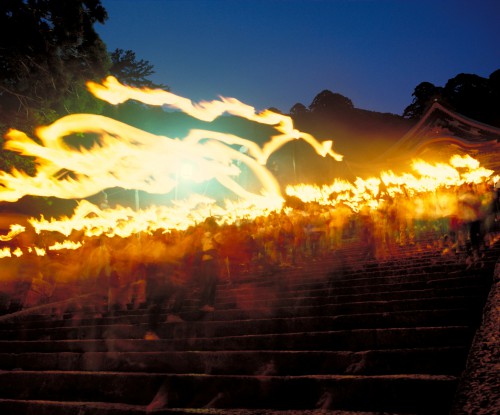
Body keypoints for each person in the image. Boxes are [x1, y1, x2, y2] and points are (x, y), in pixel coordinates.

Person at [198, 217, 222, 313]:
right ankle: (204, 304)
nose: (206, 226)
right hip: (206, 262)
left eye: (208, 224)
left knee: (212, 282)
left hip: (213, 261)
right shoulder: (203, 236)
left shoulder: (217, 235)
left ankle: (210, 304)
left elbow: (218, 247)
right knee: (206, 282)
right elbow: (200, 249)